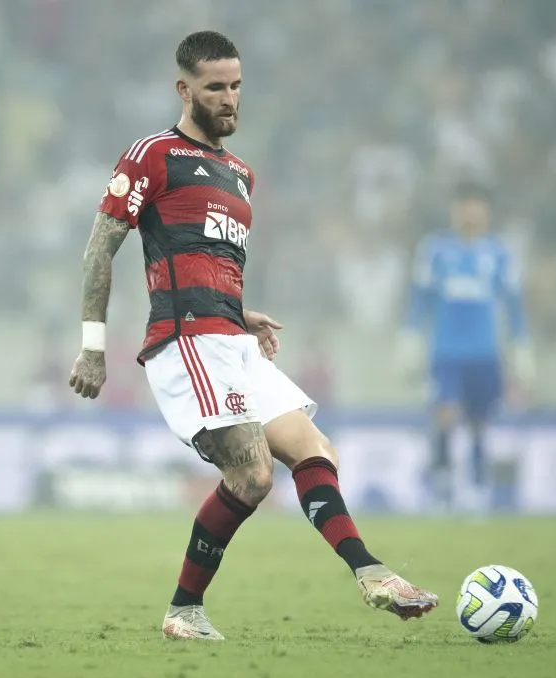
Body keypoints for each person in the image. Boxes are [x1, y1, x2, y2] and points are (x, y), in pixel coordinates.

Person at [68, 30, 437, 641]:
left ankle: (371, 573)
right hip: (186, 343)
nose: (230, 98)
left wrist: (241, 314)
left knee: (315, 449)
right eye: (216, 88)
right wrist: (92, 345)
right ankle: (184, 609)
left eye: (236, 85)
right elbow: (98, 250)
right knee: (253, 475)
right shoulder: (151, 155)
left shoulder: (240, 174)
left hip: (231, 340)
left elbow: (200, 258)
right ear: (184, 90)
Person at [398, 181, 535, 512]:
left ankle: (476, 488)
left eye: (476, 204)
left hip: (485, 354)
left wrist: (522, 347)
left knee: (478, 422)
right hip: (446, 353)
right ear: (455, 210)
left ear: (486, 211)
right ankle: (443, 488)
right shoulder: (436, 250)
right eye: (464, 204)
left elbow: (514, 304)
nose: (469, 211)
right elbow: (420, 298)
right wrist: (411, 338)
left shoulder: (499, 254)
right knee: (444, 415)